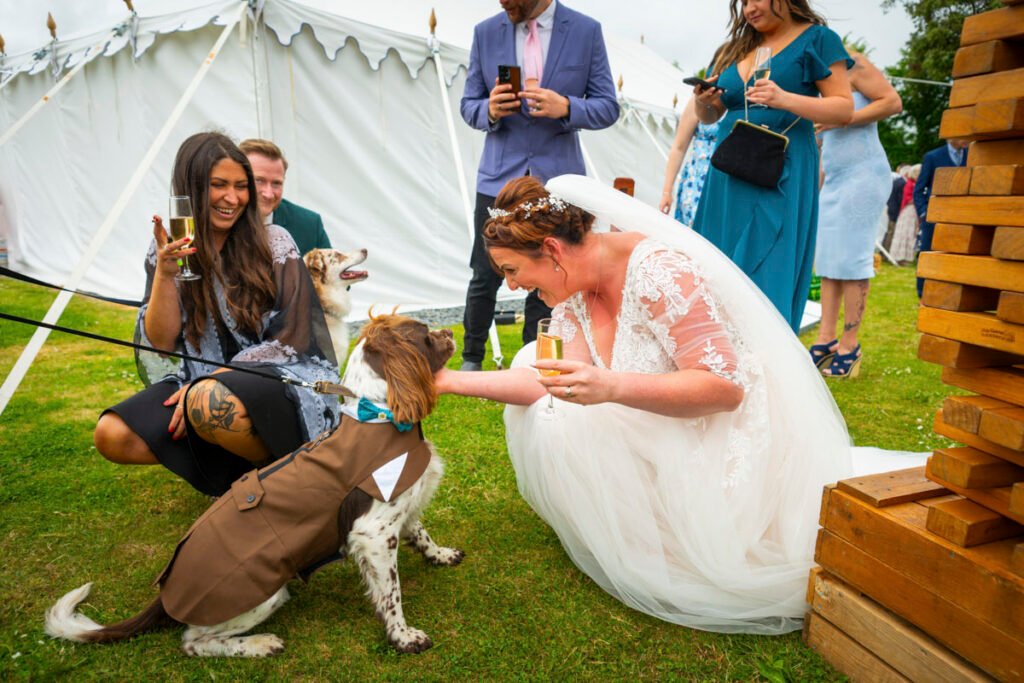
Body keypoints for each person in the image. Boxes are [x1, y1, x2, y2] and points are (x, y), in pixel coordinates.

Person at [436, 174, 863, 634]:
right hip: (660, 425)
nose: (513, 288)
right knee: (553, 412)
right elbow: (544, 383)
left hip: (725, 434)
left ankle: (664, 529)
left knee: (583, 421)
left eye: (512, 271)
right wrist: (446, 381)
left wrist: (613, 387)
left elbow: (724, 388)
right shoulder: (572, 294)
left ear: (553, 251)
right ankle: (631, 529)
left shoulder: (659, 272)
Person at [93, 132, 341, 497]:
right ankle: (239, 468)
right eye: (219, 185)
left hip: (278, 378)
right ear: (191, 188)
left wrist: (212, 383)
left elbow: (293, 336)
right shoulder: (169, 247)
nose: (233, 198)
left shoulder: (275, 242)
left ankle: (286, 483)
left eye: (242, 186)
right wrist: (165, 274)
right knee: (111, 434)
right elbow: (162, 342)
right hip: (196, 377)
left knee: (209, 403)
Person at [458, 0, 620, 371]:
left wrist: (567, 107)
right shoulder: (485, 32)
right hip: (499, 177)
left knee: (549, 268)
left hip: (559, 179)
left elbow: (608, 106)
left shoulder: (586, 31)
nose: (502, 2)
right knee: (485, 271)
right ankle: (471, 357)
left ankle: (534, 356)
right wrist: (489, 110)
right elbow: (468, 105)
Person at [690, 0, 854, 332]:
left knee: (768, 266)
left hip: (782, 170)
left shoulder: (818, 39)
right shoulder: (736, 48)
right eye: (743, 2)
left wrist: (784, 99)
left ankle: (767, 364)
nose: (749, 8)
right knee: (714, 269)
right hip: (729, 172)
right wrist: (702, 101)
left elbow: (843, 109)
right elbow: (710, 116)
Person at [809, 50, 902, 378]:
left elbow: (892, 102)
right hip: (833, 177)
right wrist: (815, 191)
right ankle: (825, 340)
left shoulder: (850, 61)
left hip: (865, 176)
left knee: (853, 261)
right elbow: (823, 144)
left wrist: (842, 117)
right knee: (830, 260)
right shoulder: (812, 78)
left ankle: (850, 345)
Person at [239, 138, 331, 256]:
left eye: (276, 183)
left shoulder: (309, 225)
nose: (269, 194)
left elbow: (330, 272)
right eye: (259, 181)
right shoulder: (222, 220)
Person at [914, 138, 968, 297]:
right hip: (934, 218)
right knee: (928, 255)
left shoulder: (972, 155)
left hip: (960, 218)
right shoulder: (933, 157)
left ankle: (949, 293)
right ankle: (922, 294)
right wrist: (924, 212)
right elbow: (919, 189)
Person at [659, 98, 719, 226]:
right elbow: (679, 147)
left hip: (723, 182)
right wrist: (667, 191)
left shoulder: (744, 102)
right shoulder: (701, 98)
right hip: (696, 184)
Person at [888, 164, 920, 265]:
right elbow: (907, 198)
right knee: (905, 234)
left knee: (909, 234)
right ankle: (901, 256)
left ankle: (906, 256)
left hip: (910, 211)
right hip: (908, 211)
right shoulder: (909, 184)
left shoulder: (911, 183)